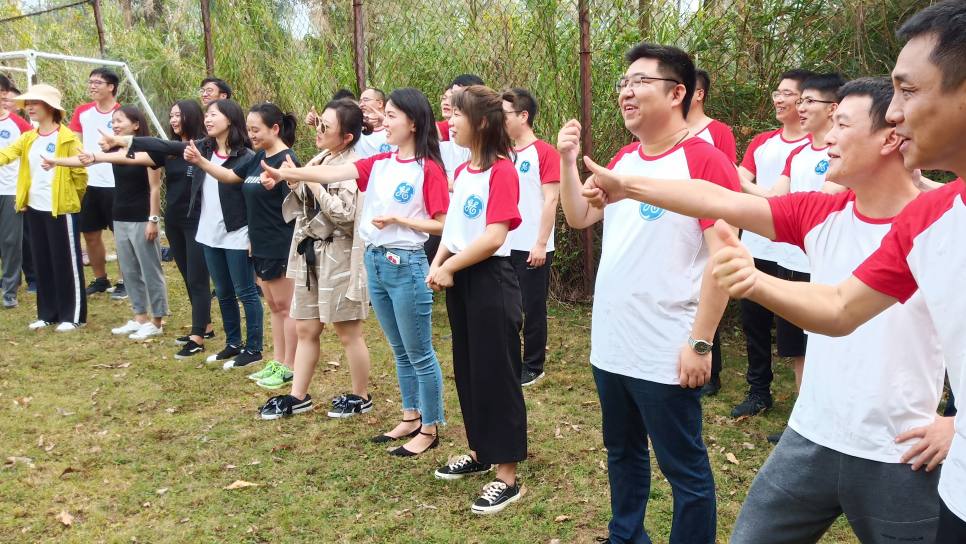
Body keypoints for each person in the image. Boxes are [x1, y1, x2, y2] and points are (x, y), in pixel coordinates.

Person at [580, 76, 951, 544]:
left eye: (841, 124)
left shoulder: (941, 221)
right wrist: (627, 186)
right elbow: (718, 199)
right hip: (809, 437)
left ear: (890, 136)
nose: (827, 137)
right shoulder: (822, 213)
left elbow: (843, 309)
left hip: (896, 452)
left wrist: (955, 420)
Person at [707, 3, 966, 540]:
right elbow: (843, 308)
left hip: (900, 454)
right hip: (831, 442)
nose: (895, 114)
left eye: (909, 92)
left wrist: (954, 422)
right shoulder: (934, 218)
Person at [557, 43, 739, 543]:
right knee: (623, 453)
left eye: (640, 81)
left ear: (678, 92)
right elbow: (579, 218)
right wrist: (569, 161)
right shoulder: (623, 158)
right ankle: (626, 535)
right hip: (612, 341)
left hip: (667, 347)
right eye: (623, 82)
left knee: (685, 470)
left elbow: (725, 259)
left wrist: (700, 342)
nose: (626, 91)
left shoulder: (706, 161)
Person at [260, 88, 449, 451]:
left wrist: (399, 219)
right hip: (375, 263)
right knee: (399, 350)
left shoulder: (429, 168)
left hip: (406, 265)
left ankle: (430, 429)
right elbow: (337, 169)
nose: (380, 121)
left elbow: (444, 225)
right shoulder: (380, 162)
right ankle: (411, 417)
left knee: (420, 353)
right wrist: (286, 172)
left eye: (391, 115)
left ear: (412, 122)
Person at [427, 85, 525, 514]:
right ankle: (481, 451)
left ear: (481, 123)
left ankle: (507, 474)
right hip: (461, 277)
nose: (449, 121)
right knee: (468, 367)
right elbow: (454, 231)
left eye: (457, 115)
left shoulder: (503, 170)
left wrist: (450, 266)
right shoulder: (465, 171)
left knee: (497, 372)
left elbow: (494, 236)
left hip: (490, 279)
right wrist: (441, 262)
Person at [118, 99, 261, 368]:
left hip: (236, 231)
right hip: (208, 233)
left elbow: (253, 199)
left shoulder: (245, 157)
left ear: (229, 119)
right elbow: (165, 146)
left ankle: (253, 349)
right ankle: (233, 343)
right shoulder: (203, 147)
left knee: (246, 292)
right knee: (223, 291)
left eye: (214, 114)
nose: (207, 118)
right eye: (206, 114)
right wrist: (127, 142)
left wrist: (254, 234)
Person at [257, 99, 373, 417]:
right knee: (307, 327)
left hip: (340, 253)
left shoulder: (354, 165)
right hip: (312, 253)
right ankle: (299, 395)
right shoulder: (322, 157)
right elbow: (304, 199)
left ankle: (360, 396)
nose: (318, 130)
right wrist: (292, 181)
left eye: (326, 127)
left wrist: (313, 184)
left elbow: (348, 218)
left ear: (347, 136)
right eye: (318, 123)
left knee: (348, 331)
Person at [182, 102, 299, 376]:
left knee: (286, 308)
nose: (251, 134)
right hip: (258, 243)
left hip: (280, 244)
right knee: (273, 307)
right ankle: (277, 362)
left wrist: (288, 181)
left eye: (256, 129)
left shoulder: (287, 160)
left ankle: (290, 366)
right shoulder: (258, 158)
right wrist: (200, 161)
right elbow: (228, 176)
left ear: (275, 128)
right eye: (248, 129)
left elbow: (300, 201)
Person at [90, 100, 214, 357]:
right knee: (187, 275)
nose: (173, 120)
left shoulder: (204, 147)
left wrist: (122, 140)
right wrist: (97, 156)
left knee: (198, 279)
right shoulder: (168, 151)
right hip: (175, 220)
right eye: (171, 115)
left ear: (192, 116)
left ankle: (197, 337)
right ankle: (206, 326)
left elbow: (155, 145)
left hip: (198, 220)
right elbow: (142, 154)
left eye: (178, 115)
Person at [730, 68, 816, 419]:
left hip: (797, 254)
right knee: (755, 323)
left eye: (788, 93)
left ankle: (809, 406)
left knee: (800, 331)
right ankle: (759, 392)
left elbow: (746, 185)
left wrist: (762, 198)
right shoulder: (763, 142)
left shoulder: (817, 145)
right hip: (757, 247)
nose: (779, 99)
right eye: (776, 93)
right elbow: (737, 180)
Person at [46, 106, 169, 341]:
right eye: (113, 121)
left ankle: (157, 320)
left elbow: (155, 188)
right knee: (130, 270)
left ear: (135, 124)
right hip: (119, 215)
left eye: (120, 120)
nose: (115, 125)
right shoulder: (114, 149)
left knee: (149, 270)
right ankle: (140, 317)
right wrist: (55, 161)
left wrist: (153, 220)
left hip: (141, 217)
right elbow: (86, 159)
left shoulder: (149, 149)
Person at [0, 84, 87, 331]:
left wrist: (73, 201)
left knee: (66, 262)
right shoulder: (28, 138)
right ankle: (48, 314)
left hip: (62, 209)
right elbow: (6, 155)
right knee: (43, 261)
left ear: (50, 107)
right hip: (34, 208)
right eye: (27, 104)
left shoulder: (67, 137)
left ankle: (73, 316)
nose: (28, 108)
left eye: (34, 103)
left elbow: (80, 175)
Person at [501, 87, 560, 387]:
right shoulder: (504, 153)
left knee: (532, 307)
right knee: (507, 307)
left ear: (523, 116)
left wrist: (540, 243)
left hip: (533, 245)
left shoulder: (545, 152)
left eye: (505, 114)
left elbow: (551, 200)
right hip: (505, 244)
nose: (500, 119)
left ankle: (534, 365)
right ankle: (510, 359)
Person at [71, 68, 123, 299]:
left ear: (110, 87)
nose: (92, 86)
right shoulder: (82, 112)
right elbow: (75, 144)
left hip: (115, 182)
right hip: (88, 182)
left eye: (97, 82)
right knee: (90, 233)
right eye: (90, 82)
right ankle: (101, 279)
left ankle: (125, 280)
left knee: (120, 233)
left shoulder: (122, 113)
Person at [0, 75, 35, 309]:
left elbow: (33, 155)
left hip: (10, 190)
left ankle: (10, 290)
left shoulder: (19, 125)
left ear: (4, 94)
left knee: (11, 241)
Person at [688, 68, 738, 164]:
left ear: (699, 94)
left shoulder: (720, 131)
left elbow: (728, 173)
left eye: (685, 89)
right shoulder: (666, 129)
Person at [355, 88, 397, 158]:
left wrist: (384, 120)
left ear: (380, 103)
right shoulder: (357, 127)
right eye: (360, 101)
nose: (361, 105)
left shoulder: (396, 127)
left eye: (365, 100)